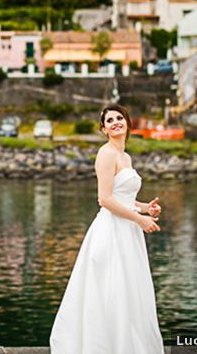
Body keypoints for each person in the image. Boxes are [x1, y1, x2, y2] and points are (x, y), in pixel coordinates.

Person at [49, 104, 163, 354]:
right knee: (110, 288)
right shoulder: (107, 154)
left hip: (127, 230)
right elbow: (105, 199)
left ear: (127, 123)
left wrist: (145, 209)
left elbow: (122, 198)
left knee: (128, 288)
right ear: (104, 129)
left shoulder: (125, 156)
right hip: (111, 230)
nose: (115, 122)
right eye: (109, 121)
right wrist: (139, 219)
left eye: (119, 118)